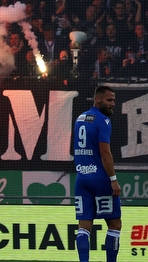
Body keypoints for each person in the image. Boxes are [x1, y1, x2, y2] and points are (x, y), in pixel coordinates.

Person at [73, 86, 122, 262]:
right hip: (101, 180)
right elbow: (105, 153)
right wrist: (113, 180)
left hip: (82, 179)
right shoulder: (103, 121)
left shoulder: (80, 118)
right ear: (98, 99)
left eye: (114, 100)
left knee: (84, 227)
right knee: (114, 224)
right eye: (109, 100)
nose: (113, 104)